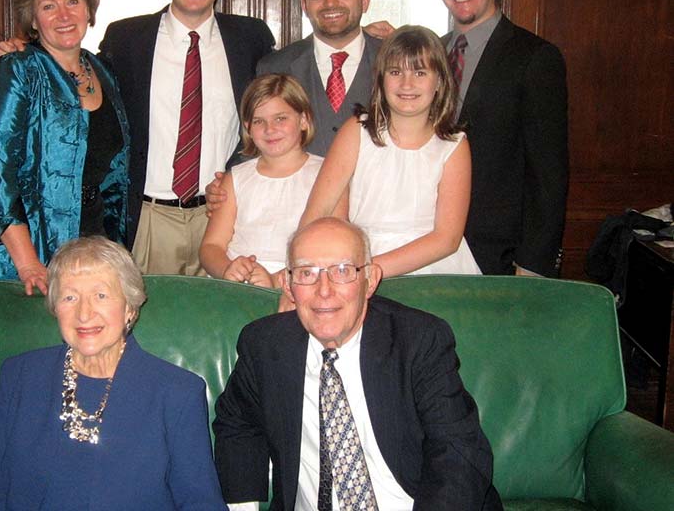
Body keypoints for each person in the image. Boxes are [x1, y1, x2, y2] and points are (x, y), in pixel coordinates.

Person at [213, 217, 502, 510]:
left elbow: (458, 452)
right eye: (306, 272)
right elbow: (237, 422)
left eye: (342, 271)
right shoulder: (264, 346)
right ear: (288, 285)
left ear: (370, 280)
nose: (324, 290)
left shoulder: (417, 341)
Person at [0, 237, 226, 510]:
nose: (84, 313)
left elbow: (201, 503)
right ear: (55, 308)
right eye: (70, 297)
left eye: (100, 295)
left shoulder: (177, 393)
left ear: (129, 308)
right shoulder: (19, 376)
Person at [99, 0, 275, 275]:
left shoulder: (250, 37)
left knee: (221, 322)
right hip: (149, 217)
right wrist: (30, 53)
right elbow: (81, 80)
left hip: (222, 215)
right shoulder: (126, 39)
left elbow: (281, 95)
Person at [0, 0, 129, 295]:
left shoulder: (104, 72)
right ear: (33, 18)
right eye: (49, 5)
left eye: (73, 1)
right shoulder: (17, 70)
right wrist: (28, 263)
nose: (64, 15)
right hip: (36, 252)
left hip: (100, 244)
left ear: (89, 9)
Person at [432, 0, 568, 277]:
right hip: (430, 245)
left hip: (499, 255)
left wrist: (533, 263)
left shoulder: (535, 57)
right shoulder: (431, 55)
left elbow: (549, 172)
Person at [302, 25, 480, 277]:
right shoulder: (357, 131)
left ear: (439, 80)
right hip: (359, 258)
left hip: (433, 269)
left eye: (420, 72)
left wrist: (370, 271)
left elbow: (446, 239)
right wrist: (304, 270)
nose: (407, 84)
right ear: (381, 78)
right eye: (396, 72)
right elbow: (316, 214)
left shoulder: (454, 145)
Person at [199, 74, 345, 288]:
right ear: (248, 127)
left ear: (303, 120)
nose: (270, 129)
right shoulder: (235, 179)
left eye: (280, 118)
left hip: (301, 283)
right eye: (259, 121)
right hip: (239, 285)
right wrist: (227, 269)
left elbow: (333, 245)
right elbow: (211, 246)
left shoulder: (328, 174)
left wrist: (276, 281)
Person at [256, 0, 383, 156]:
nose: (330, 2)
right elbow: (257, 149)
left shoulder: (394, 63)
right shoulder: (274, 68)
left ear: (364, 0)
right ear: (304, 4)